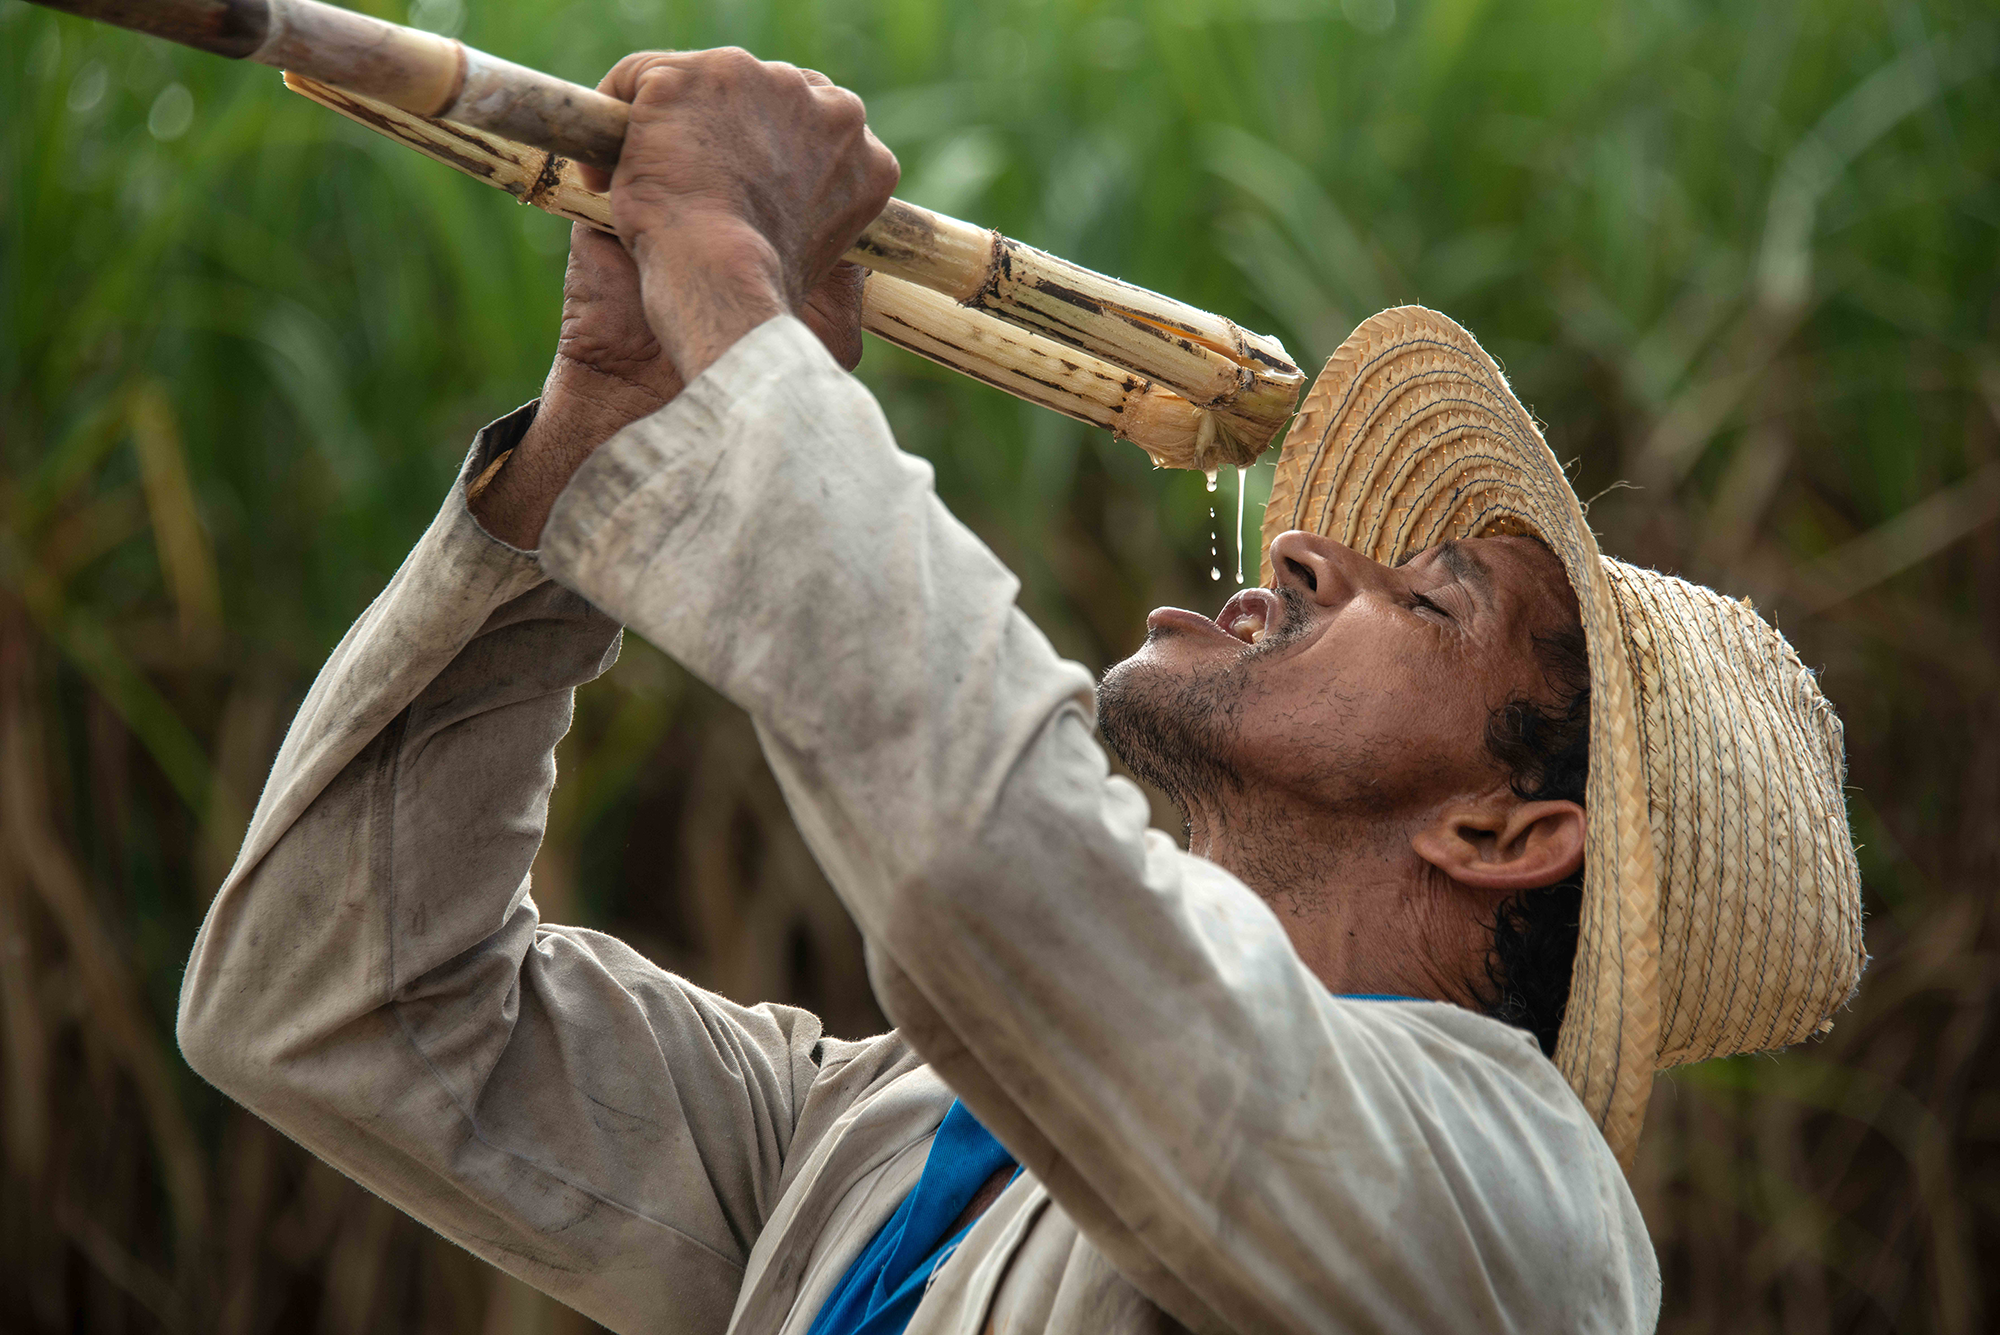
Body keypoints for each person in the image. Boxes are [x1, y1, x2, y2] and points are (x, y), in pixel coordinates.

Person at [176, 48, 1865, 1335]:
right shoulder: (896, 1131)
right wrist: (595, 430)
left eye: (1429, 596)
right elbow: (334, 1000)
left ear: (1508, 825)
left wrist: (742, 320)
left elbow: (1007, 882)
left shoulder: (1514, 1217)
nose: (1306, 558)